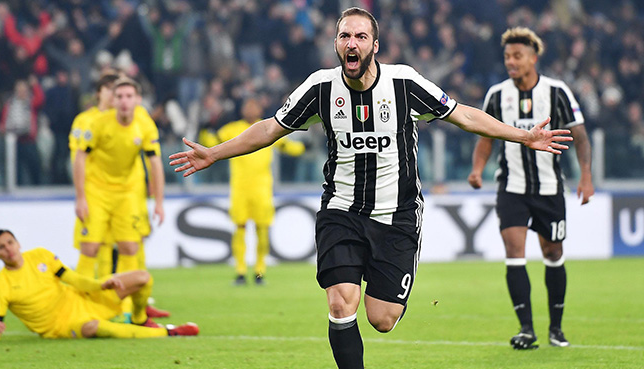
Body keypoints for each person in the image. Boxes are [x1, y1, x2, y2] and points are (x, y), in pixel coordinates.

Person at [169, 8, 572, 368]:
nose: (352, 43)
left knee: (382, 319)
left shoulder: (404, 83)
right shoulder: (320, 87)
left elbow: (463, 115)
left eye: (361, 36)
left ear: (374, 46)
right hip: (341, 210)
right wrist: (215, 154)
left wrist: (522, 136)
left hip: (396, 215)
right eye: (345, 36)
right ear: (336, 44)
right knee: (341, 301)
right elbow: (272, 128)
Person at [467, 27, 594, 350]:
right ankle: (526, 329)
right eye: (507, 56)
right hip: (511, 187)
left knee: (552, 252)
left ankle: (556, 328)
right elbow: (486, 137)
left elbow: (579, 134)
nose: (511, 61)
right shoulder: (497, 95)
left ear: (533, 58)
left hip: (549, 188)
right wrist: (477, 169)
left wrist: (586, 176)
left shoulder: (556, 91)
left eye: (517, 56)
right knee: (514, 252)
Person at [69, 72, 170, 319]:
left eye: (129, 96)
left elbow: (155, 163)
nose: (124, 101)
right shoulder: (96, 123)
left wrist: (158, 201)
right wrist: (80, 196)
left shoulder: (144, 123)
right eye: (120, 96)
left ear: (137, 99)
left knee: (129, 246)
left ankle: (125, 308)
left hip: (127, 193)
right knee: (91, 246)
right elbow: (79, 157)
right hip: (97, 191)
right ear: (112, 99)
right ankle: (77, 305)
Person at [0, 229, 198, 341]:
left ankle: (140, 318)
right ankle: (169, 333)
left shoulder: (40, 255)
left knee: (142, 277)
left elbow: (72, 278)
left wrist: (100, 284)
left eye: (10, 242)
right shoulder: (1, 286)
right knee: (98, 328)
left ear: (18, 243)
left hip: (84, 299)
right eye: (1, 248)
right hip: (65, 326)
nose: (8, 249)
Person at [200, 97, 305, 285]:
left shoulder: (267, 128)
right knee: (239, 228)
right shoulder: (231, 129)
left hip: (262, 188)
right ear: (242, 109)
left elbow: (287, 146)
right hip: (240, 188)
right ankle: (240, 271)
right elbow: (212, 142)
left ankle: (259, 271)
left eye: (254, 104)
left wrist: (303, 147)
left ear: (259, 108)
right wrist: (204, 131)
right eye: (247, 104)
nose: (250, 108)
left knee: (261, 229)